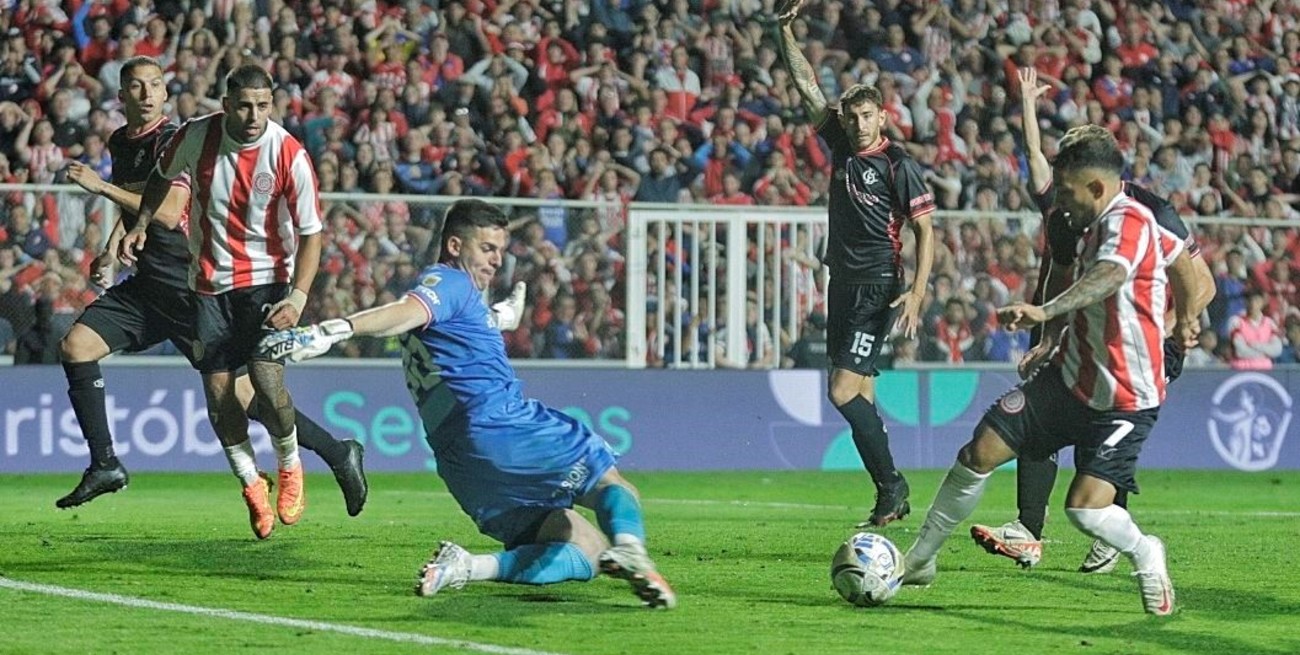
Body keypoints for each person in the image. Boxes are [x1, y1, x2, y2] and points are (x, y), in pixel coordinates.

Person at [256, 199, 676, 609]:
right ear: (455, 246)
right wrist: (332, 331)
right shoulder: (449, 282)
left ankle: (466, 567)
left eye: (500, 251)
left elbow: (446, 326)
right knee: (608, 480)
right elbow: (405, 311)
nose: (496, 260)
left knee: (587, 548)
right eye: (487, 248)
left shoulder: (456, 299)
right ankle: (632, 549)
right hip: (502, 425)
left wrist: (499, 318)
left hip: (460, 464)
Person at [57, 56, 368, 519]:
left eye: (155, 85)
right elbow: (143, 208)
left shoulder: (177, 139)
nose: (146, 94)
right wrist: (113, 246)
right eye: (136, 86)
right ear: (120, 96)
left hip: (190, 285)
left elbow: (169, 211)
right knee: (76, 346)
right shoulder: (122, 142)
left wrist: (100, 187)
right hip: (148, 286)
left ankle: (336, 453)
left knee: (245, 399)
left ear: (166, 93)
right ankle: (105, 464)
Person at [899, 126, 1184, 615]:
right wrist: (1051, 337)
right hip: (1070, 377)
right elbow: (1064, 273)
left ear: (1096, 187)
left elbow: (1112, 275)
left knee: (1084, 510)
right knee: (979, 450)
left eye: (1067, 191)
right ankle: (919, 560)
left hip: (1126, 396)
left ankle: (1144, 551)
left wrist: (1187, 320)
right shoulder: (1075, 222)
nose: (1060, 201)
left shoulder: (1133, 220)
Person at [968, 69, 1215, 573]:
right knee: (1038, 419)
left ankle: (1110, 530)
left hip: (1137, 341)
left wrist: (1173, 324)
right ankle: (1028, 529)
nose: (1062, 179)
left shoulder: (1150, 211)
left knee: (1100, 426)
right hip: (1071, 325)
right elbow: (1034, 157)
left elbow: (1201, 282)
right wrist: (1027, 105)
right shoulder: (1063, 203)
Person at [119, 64, 322, 540]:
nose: (254, 117)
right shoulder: (196, 136)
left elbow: (311, 234)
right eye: (245, 106)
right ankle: (251, 482)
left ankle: (289, 463)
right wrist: (141, 223)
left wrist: (298, 297)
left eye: (263, 106)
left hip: (268, 283)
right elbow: (161, 176)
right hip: (209, 285)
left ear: (272, 105)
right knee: (218, 396)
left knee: (267, 384)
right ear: (227, 104)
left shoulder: (288, 153)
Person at [776, 0, 935, 526]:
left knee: (842, 390)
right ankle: (890, 495)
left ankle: (892, 485)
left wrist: (916, 292)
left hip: (878, 285)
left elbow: (925, 230)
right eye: (853, 116)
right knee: (860, 390)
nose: (861, 124)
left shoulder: (897, 164)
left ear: (882, 117)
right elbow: (807, 87)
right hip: (841, 283)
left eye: (869, 116)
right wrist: (784, 32)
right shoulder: (843, 146)